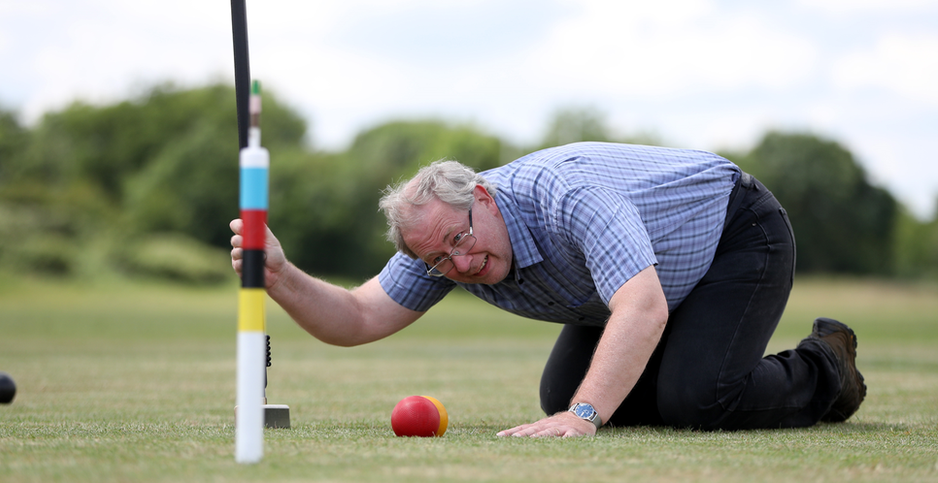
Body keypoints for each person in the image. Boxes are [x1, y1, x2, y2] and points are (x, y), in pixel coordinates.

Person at [229, 141, 866, 436]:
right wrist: (280, 275)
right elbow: (359, 317)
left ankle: (825, 363)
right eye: (440, 259)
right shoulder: (442, 246)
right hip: (634, 281)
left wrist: (586, 418)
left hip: (734, 232)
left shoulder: (567, 195)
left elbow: (639, 304)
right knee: (559, 394)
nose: (461, 261)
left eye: (461, 237)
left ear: (481, 194)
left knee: (694, 400)